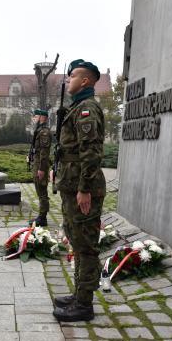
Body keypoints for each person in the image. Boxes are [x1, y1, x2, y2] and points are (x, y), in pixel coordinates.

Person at [52, 59, 106, 322]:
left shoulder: (87, 109)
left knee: (86, 247)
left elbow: (92, 152)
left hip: (82, 189)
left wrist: (85, 189)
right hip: (71, 186)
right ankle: (79, 295)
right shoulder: (76, 108)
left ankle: (84, 305)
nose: (67, 80)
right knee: (75, 239)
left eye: (71, 76)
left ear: (85, 81)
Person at [29, 109, 52, 227]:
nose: (34, 118)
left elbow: (44, 152)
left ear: (43, 117)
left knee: (42, 191)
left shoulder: (44, 132)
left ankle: (42, 217)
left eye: (36, 116)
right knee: (39, 190)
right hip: (37, 163)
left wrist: (42, 169)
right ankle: (41, 216)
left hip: (40, 165)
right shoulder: (39, 130)